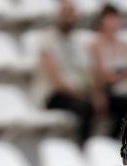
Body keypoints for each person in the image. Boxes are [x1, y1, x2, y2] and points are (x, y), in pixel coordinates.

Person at [33, 0, 102, 145]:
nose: (69, 16)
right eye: (66, 12)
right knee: (85, 107)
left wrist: (93, 92)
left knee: (114, 103)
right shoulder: (47, 40)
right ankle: (83, 147)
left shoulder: (76, 42)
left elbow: (85, 73)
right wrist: (81, 93)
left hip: (76, 92)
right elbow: (55, 80)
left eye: (72, 12)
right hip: (53, 94)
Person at [90, 4, 127, 139]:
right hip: (112, 89)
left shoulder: (125, 44)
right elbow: (102, 76)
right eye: (109, 19)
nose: (113, 23)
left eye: (115, 19)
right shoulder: (95, 45)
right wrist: (126, 75)